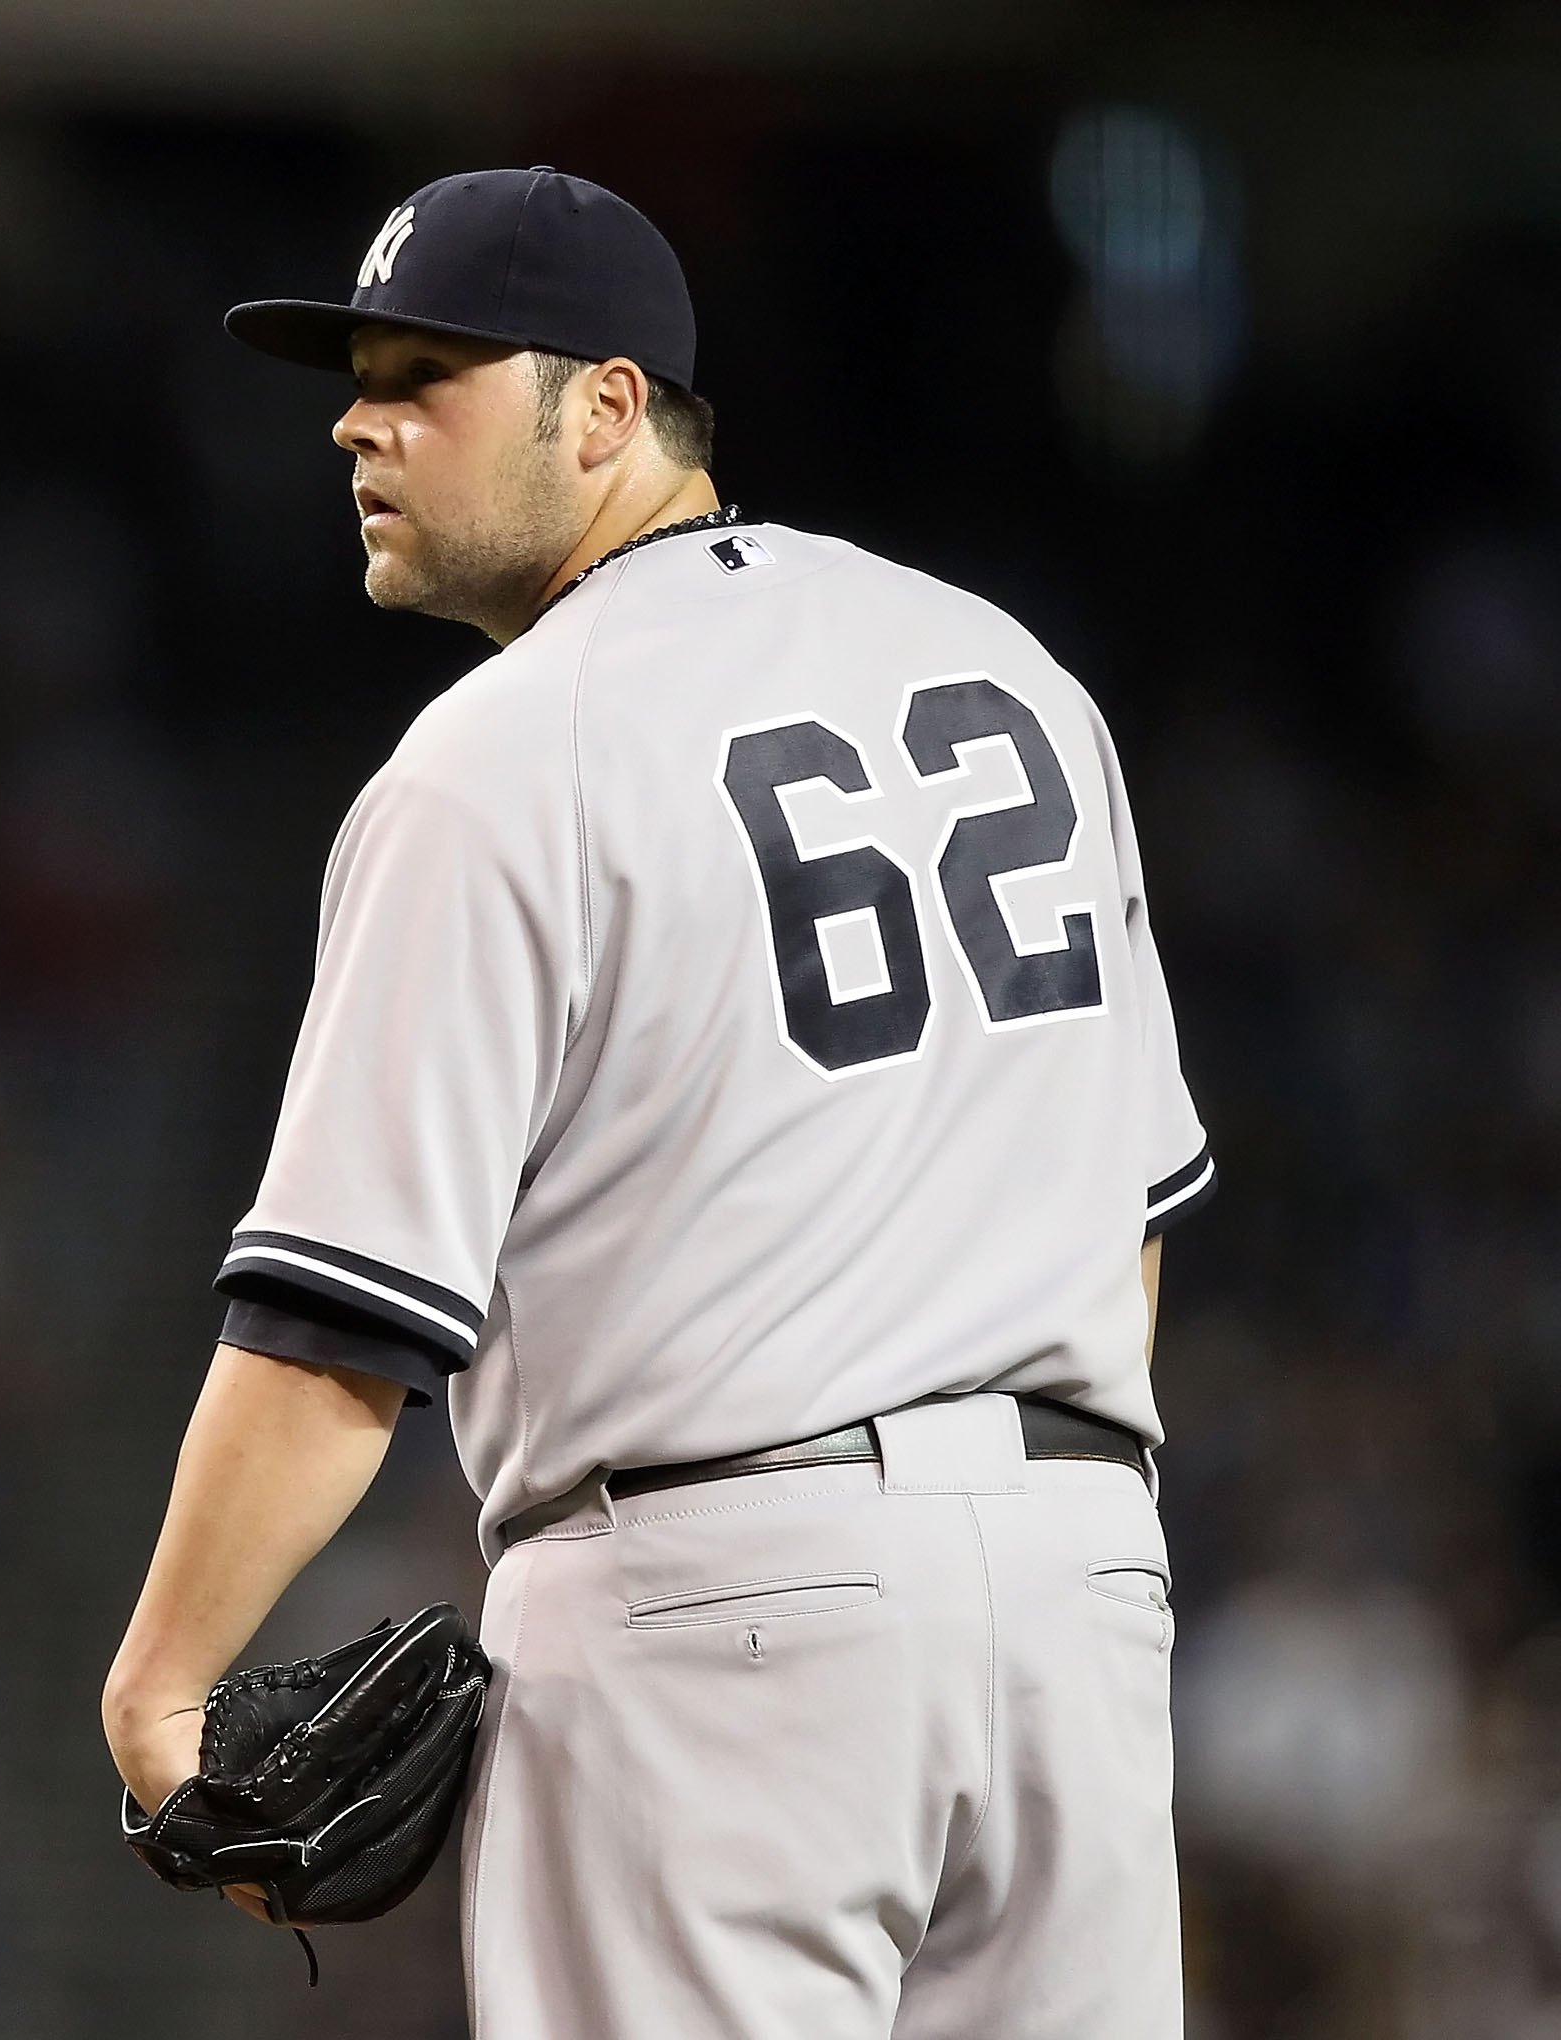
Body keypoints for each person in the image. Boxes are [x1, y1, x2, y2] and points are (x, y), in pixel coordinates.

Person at [99, 167, 1210, 2037]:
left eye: (427, 372)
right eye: (357, 377)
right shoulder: (1010, 670)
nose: (362, 419)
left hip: (720, 1617)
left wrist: (158, 1695)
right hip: (1084, 1588)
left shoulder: (501, 756)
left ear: (606, 407)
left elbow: (334, 1338)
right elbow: (1138, 1223)